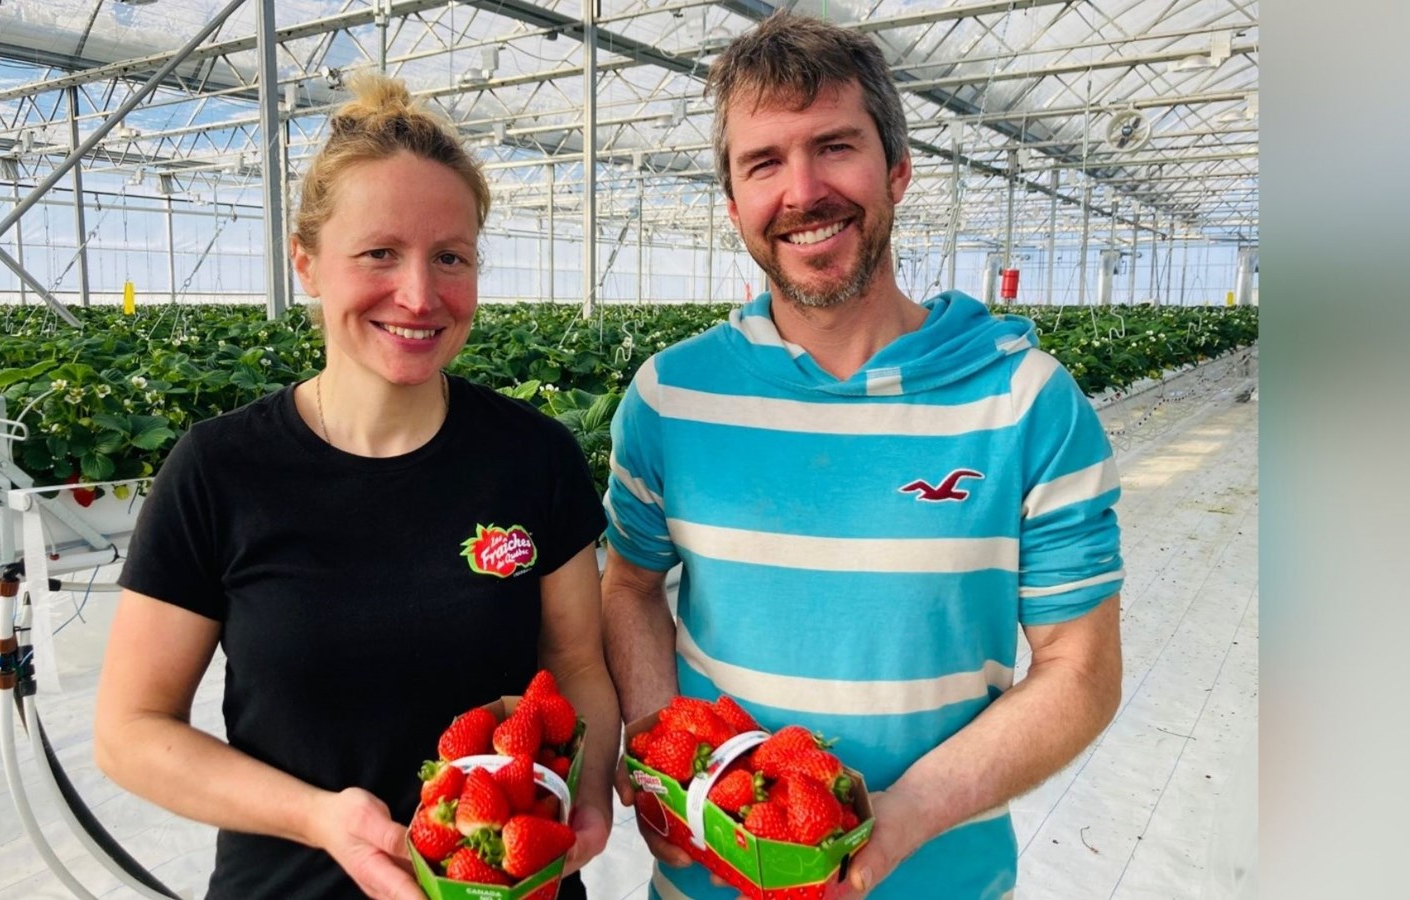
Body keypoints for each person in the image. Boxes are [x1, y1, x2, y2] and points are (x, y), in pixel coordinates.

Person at [600, 12, 1123, 900]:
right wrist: (664, 750)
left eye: (834, 147)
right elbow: (631, 586)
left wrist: (908, 812)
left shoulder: (1027, 403)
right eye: (763, 163)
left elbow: (1082, 669)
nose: (802, 191)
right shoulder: (668, 399)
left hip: (940, 880)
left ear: (898, 169)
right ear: (733, 204)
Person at [93, 71, 619, 900]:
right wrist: (318, 818)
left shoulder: (535, 456)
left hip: (511, 883)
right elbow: (130, 729)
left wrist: (585, 794)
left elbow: (576, 663)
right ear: (306, 263)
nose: (419, 294)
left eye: (450, 258)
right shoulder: (220, 469)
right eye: (380, 253)